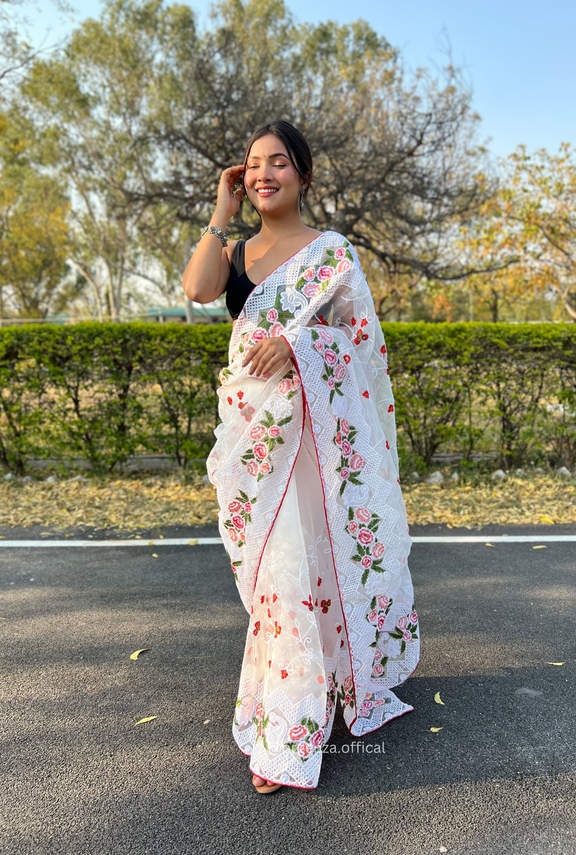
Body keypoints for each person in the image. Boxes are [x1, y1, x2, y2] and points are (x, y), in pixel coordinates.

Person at [183, 120, 420, 795]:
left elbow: (361, 342)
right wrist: (219, 214)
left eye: (279, 163)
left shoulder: (331, 252)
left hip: (314, 434)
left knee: (304, 560)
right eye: (253, 166)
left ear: (304, 175)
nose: (264, 174)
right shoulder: (236, 251)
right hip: (254, 434)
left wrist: (301, 347)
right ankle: (323, 684)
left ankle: (287, 731)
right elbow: (198, 291)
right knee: (271, 576)